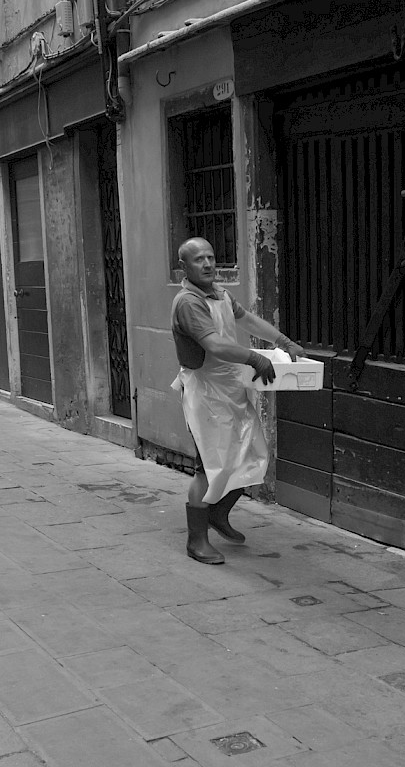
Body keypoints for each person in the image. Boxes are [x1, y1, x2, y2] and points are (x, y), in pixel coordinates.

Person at [171, 237, 306, 564]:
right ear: (184, 267)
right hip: (205, 393)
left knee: (249, 454)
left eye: (210, 257)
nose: (207, 263)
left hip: (229, 388)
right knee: (209, 467)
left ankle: (217, 514)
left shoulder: (221, 294)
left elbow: (248, 320)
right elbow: (215, 345)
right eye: (199, 259)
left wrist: (282, 340)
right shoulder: (188, 303)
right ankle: (196, 540)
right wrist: (254, 358)